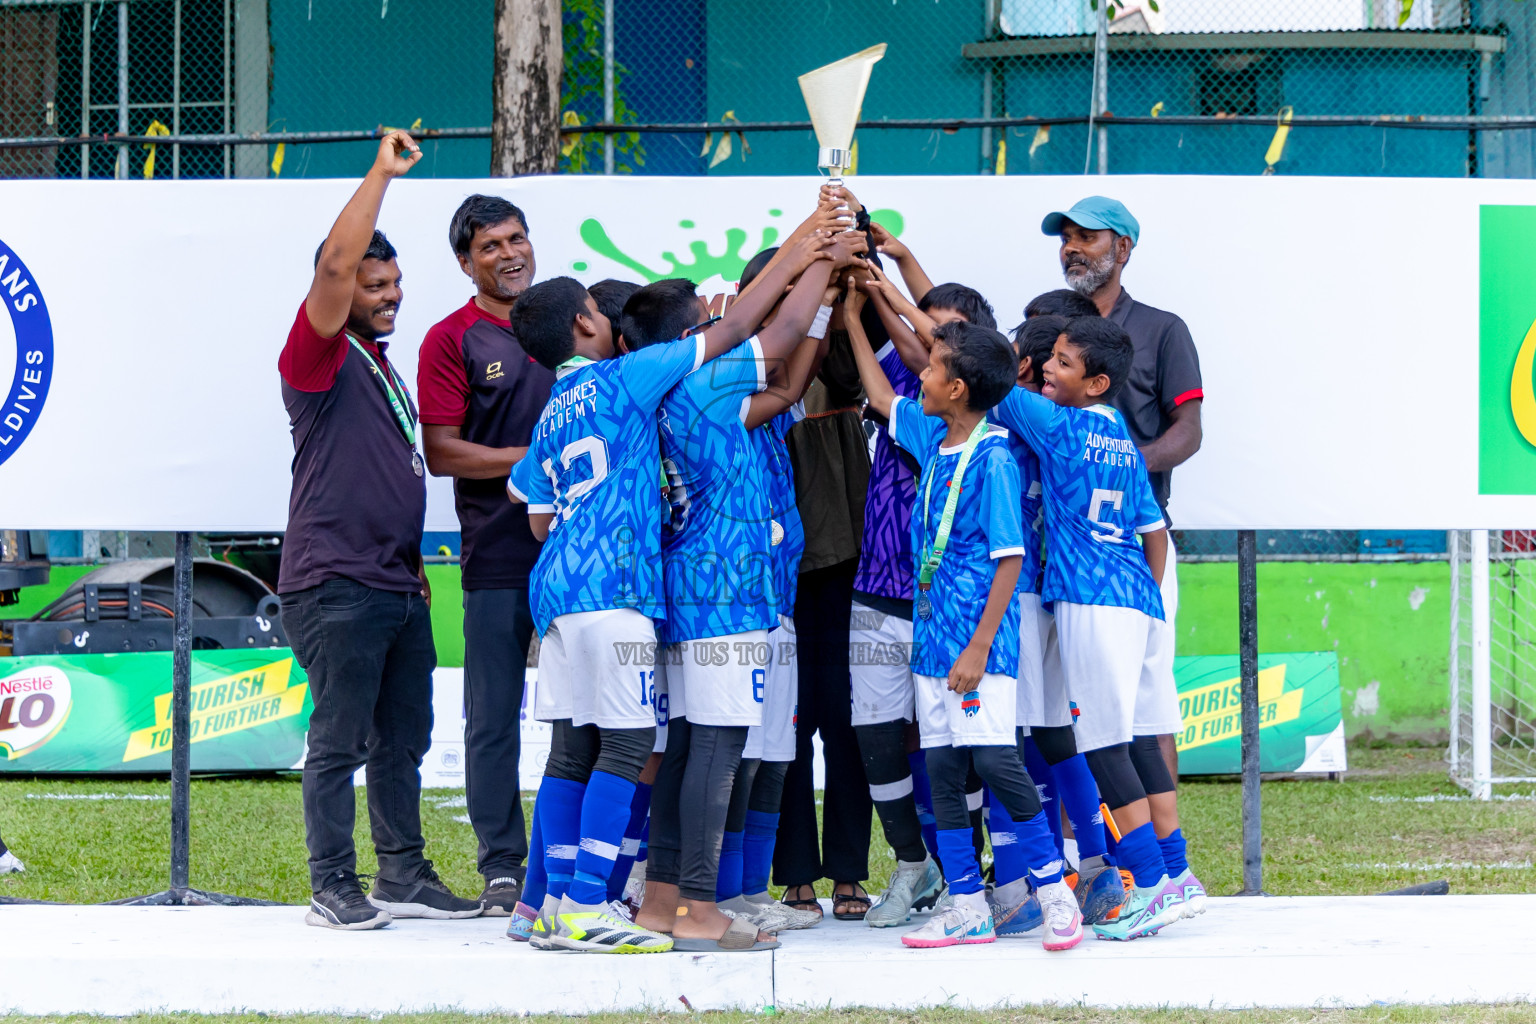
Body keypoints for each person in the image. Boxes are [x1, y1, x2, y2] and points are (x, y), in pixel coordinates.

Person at [506, 230, 835, 954]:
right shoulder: (678, 379)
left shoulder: (575, 404)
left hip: (590, 590)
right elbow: (760, 330)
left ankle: (571, 901)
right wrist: (817, 254)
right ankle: (661, 904)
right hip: (682, 594)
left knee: (617, 749)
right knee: (670, 751)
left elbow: (535, 516)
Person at [277, 131, 481, 931]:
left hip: (395, 582)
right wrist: (380, 174)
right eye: (374, 284)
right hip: (335, 582)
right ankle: (332, 882)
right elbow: (333, 267)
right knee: (340, 739)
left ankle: (402, 873)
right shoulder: (316, 354)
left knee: (405, 738)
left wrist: (411, 563)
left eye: (395, 282)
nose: (389, 294)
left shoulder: (380, 363)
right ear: (340, 291)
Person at [631, 231, 854, 952]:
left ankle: (664, 901)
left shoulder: (659, 390)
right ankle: (702, 907)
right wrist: (822, 252)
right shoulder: (706, 380)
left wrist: (818, 273)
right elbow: (784, 333)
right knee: (719, 755)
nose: (720, 321)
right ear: (691, 337)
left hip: (687, 596)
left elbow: (789, 372)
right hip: (727, 600)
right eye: (708, 316)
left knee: (694, 750)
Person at [843, 302, 1083, 953]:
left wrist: (979, 647)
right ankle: (968, 906)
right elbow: (877, 391)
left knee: (997, 763)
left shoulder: (995, 457)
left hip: (981, 649)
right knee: (945, 772)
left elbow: (1009, 559)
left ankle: (1053, 891)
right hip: (932, 648)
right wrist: (853, 316)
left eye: (931, 368)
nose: (917, 376)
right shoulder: (930, 437)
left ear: (958, 389)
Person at [989, 316, 1198, 941]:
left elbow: (985, 378)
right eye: (1047, 358)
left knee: (1104, 746)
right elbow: (1151, 529)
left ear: (1096, 382)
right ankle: (1178, 873)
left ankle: (1149, 885)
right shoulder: (1122, 434)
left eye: (1062, 363)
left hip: (1090, 601)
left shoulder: (1055, 423)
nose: (1048, 369)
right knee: (1134, 739)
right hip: (1137, 596)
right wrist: (1152, 604)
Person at [1042, 196, 1204, 910]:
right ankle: (1147, 868)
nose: (1074, 247)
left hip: (1138, 554)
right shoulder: (1058, 334)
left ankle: (1158, 873)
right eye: (1066, 237)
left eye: (1088, 236)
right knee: (1108, 722)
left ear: (1125, 246)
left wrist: (1114, 462)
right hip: (1077, 561)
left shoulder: (1164, 328)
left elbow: (1189, 430)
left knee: (1140, 718)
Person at [845, 264, 998, 929]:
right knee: (877, 736)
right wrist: (856, 311)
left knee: (955, 747)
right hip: (875, 591)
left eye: (936, 334)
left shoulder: (983, 415)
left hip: (947, 606)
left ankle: (967, 874)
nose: (919, 338)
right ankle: (914, 863)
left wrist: (888, 289)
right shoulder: (912, 391)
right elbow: (881, 386)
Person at [417, 194, 553, 917]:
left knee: (596, 715)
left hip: (583, 559)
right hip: (498, 555)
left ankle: (580, 859)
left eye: (516, 238)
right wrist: (534, 462)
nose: (510, 254)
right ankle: (504, 865)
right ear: (466, 263)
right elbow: (441, 452)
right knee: (494, 717)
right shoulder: (451, 339)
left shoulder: (570, 322)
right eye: (491, 246)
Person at [1009, 313, 1124, 927]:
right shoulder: (1100, 425)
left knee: (1005, 739)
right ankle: (1093, 868)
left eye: (1061, 360)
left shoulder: (1022, 415)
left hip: (1023, 594)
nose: (1052, 368)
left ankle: (1030, 886)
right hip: (1060, 591)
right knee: (1056, 736)